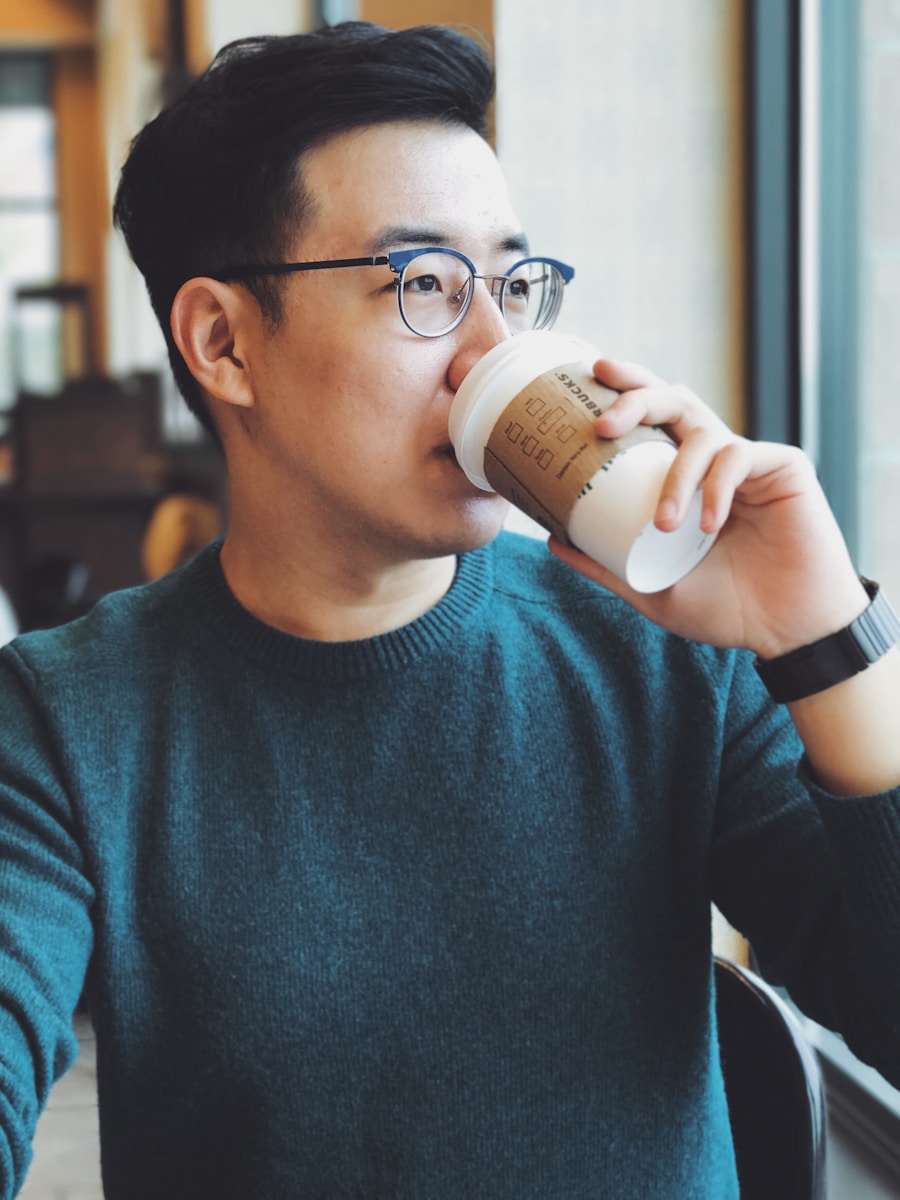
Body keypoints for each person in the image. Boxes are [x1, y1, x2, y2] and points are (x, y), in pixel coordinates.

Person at [0, 21, 898, 1200]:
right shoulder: (67, 721)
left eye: (513, 285)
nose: (492, 352)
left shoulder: (670, 650)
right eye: (424, 283)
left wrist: (824, 643)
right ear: (223, 342)